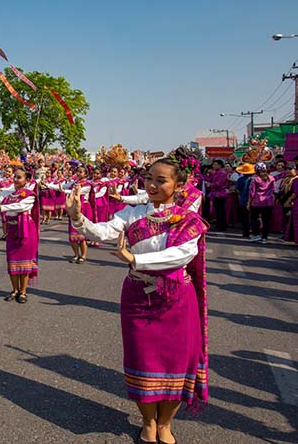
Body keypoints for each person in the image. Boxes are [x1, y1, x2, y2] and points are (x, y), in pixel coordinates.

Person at [66, 155, 208, 444]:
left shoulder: (189, 219)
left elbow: (183, 253)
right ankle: (148, 422)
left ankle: (165, 423)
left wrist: (135, 258)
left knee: (176, 364)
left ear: (178, 185)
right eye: (149, 178)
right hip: (137, 298)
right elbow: (103, 232)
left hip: (177, 298)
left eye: (161, 180)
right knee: (143, 361)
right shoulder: (132, 214)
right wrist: (77, 218)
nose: (152, 185)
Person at [0, 167, 39, 304]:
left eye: (19, 177)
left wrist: (2, 207)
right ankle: (15, 290)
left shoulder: (30, 195)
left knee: (24, 262)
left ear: (27, 180)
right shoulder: (9, 195)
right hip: (12, 230)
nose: (15, 179)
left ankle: (23, 291)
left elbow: (20, 206)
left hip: (26, 231)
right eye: (15, 176)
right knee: (12, 260)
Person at [248, 162, 276, 244]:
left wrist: (248, 202)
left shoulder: (255, 179)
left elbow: (252, 192)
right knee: (266, 220)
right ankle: (264, 237)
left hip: (256, 202)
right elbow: (274, 190)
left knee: (254, 219)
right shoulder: (271, 178)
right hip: (268, 202)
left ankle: (256, 234)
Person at [234, 163, 255, 240]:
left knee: (245, 217)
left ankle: (245, 232)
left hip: (243, 200)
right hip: (254, 201)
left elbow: (237, 189)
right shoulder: (255, 179)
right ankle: (254, 232)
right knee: (253, 217)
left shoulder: (241, 179)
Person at [207, 159, 229, 231]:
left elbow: (219, 183)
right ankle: (219, 225)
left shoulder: (222, 173)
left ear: (220, 165)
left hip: (220, 194)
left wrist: (210, 185)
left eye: (215, 164)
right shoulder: (215, 172)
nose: (213, 166)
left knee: (221, 211)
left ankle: (222, 226)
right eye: (213, 165)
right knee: (217, 210)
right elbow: (210, 179)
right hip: (215, 194)